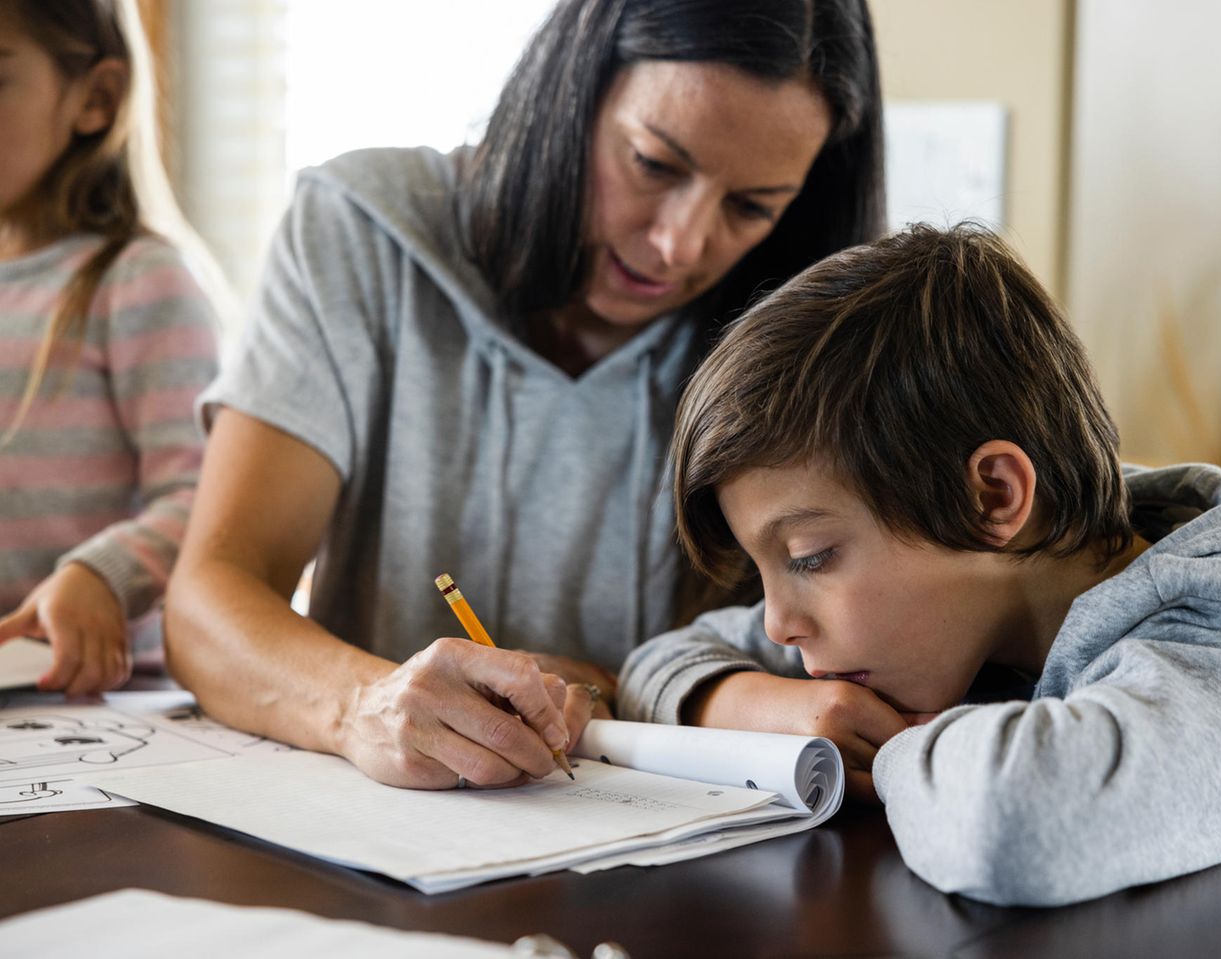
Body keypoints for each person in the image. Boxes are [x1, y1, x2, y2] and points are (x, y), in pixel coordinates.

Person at [165, 0, 885, 791]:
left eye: (750, 207)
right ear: (570, 91)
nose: (679, 243)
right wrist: (363, 703)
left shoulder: (794, 341)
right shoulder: (357, 232)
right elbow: (206, 605)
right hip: (374, 822)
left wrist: (613, 689)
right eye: (653, 163)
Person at [617, 222, 1221, 906]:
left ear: (992, 496)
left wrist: (894, 747)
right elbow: (655, 664)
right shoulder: (954, 621)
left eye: (810, 557)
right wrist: (766, 707)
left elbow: (1010, 822)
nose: (779, 623)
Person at [0, 0, 225, 696]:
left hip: (103, 698)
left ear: (95, 98)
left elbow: (207, 496)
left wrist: (104, 573)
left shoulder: (137, 280)